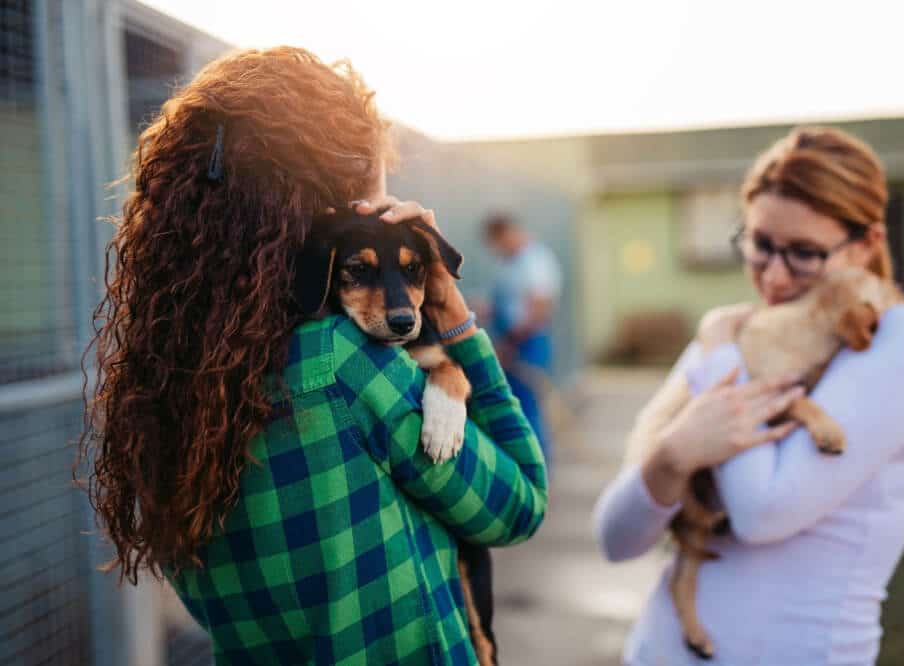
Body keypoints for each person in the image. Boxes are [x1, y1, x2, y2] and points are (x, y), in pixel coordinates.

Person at [78, 47, 547, 665]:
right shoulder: (346, 363)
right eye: (376, 183)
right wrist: (452, 313)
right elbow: (518, 505)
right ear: (334, 204)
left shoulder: (166, 383)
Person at [593, 127, 904, 665]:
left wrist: (719, 353)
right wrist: (672, 455)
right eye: (760, 244)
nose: (775, 275)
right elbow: (615, 540)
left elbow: (763, 512)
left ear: (868, 244)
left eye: (804, 253)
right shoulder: (742, 337)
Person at [482, 212, 563, 464]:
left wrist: (509, 344)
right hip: (513, 342)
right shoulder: (509, 263)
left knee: (528, 410)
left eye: (498, 241)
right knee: (515, 407)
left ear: (509, 233)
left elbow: (539, 307)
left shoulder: (535, 260)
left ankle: (538, 470)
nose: (497, 248)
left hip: (527, 345)